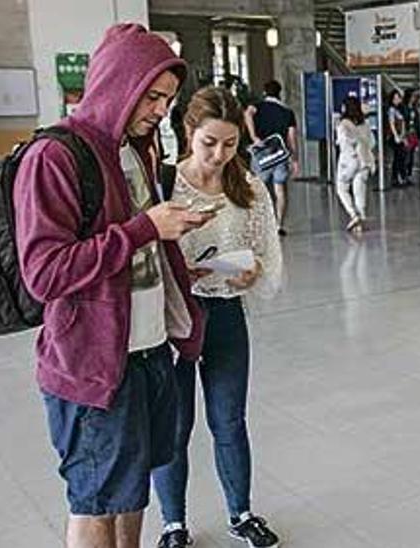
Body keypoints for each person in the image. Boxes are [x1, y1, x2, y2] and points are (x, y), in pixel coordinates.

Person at [13, 23, 211, 548]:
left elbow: (137, 249)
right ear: (118, 83)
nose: (159, 110)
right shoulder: (55, 157)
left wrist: (177, 267)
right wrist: (147, 228)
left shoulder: (138, 151)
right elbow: (45, 271)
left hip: (147, 354)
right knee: (96, 501)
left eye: (167, 100)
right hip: (93, 367)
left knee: (133, 489)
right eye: (151, 96)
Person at [151, 86, 284, 548]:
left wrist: (252, 273)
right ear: (189, 132)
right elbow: (144, 249)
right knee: (174, 425)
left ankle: (241, 513)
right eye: (210, 142)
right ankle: (173, 524)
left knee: (229, 420)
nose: (219, 154)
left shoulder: (246, 186)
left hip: (225, 313)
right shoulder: (163, 184)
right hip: (174, 318)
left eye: (230, 144)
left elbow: (266, 251)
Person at [243, 80, 299, 236]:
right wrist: (294, 159)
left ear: (264, 92)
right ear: (279, 93)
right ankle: (278, 225)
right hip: (280, 154)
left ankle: (259, 225)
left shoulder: (258, 107)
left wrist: (254, 137)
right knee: (280, 189)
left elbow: (247, 113)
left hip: (261, 154)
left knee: (258, 189)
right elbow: (292, 137)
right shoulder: (287, 112)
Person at [335, 96, 375, 232]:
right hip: (365, 160)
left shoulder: (343, 124)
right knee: (359, 190)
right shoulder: (365, 124)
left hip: (350, 160)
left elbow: (344, 143)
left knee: (341, 188)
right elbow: (372, 143)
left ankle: (353, 215)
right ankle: (361, 218)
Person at [387, 89, 410, 187]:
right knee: (398, 157)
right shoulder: (391, 110)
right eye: (395, 98)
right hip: (395, 136)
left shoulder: (400, 109)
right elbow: (392, 123)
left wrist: (403, 136)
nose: (397, 100)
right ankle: (396, 178)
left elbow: (403, 123)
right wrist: (396, 136)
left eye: (398, 97)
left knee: (401, 157)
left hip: (400, 135)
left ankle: (401, 177)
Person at [401, 89, 420, 184]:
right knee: (406, 155)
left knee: (411, 155)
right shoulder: (404, 108)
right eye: (413, 96)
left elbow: (417, 122)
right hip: (407, 133)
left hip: (414, 133)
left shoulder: (414, 108)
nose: (414, 98)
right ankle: (403, 175)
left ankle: (408, 175)